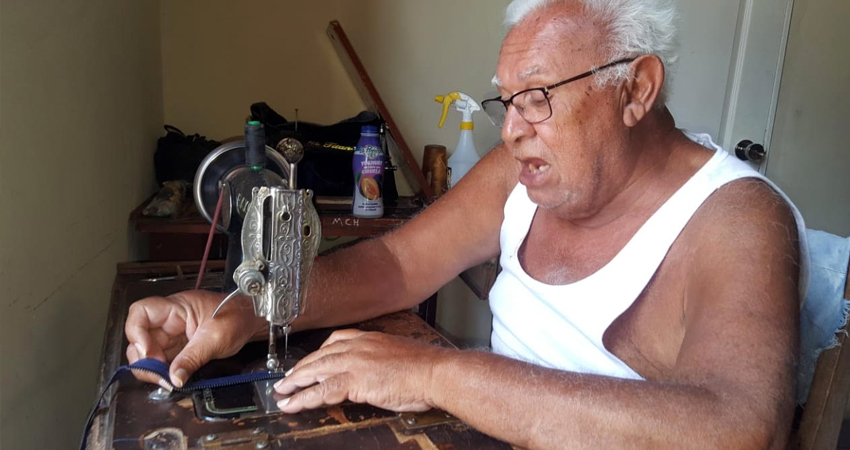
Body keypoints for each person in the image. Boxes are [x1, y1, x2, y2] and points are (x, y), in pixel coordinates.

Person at [125, 0, 808, 448]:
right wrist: (247, 307)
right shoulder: (525, 175)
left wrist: (435, 376)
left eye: (537, 99)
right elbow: (396, 266)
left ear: (637, 89)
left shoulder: (736, 218)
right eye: (505, 101)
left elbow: (739, 428)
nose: (510, 132)